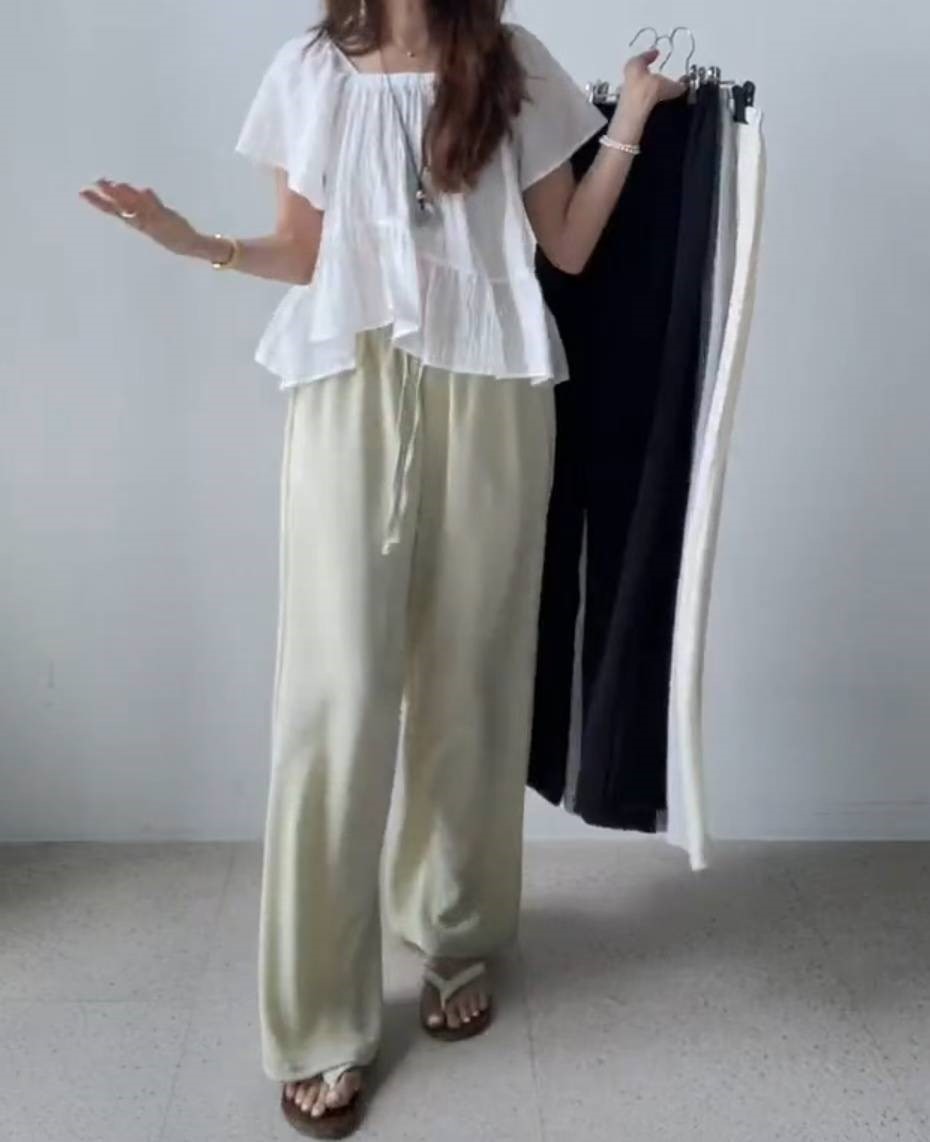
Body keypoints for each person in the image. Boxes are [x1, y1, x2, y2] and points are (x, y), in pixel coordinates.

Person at [80, 1, 683, 1135]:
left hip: (492, 391)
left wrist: (633, 116)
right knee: (337, 696)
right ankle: (319, 1016)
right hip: (350, 390)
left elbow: (565, 246)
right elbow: (305, 254)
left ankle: (454, 929)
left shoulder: (509, 59)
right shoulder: (310, 68)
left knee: (472, 680)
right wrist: (193, 242)